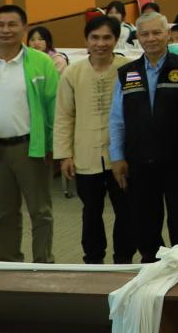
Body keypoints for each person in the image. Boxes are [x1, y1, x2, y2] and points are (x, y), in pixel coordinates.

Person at [0, 5, 60, 262]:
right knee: (3, 215)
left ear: (24, 28)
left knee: (40, 212)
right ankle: (6, 268)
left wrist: (53, 145)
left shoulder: (41, 63)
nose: (6, 30)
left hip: (31, 147)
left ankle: (43, 265)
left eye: (12, 24)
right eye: (0, 25)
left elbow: (53, 106)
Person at [110, 12, 178, 262]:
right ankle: (151, 264)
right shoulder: (127, 73)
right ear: (138, 37)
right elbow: (117, 119)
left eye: (157, 32)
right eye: (145, 34)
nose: (151, 38)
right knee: (145, 222)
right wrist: (116, 156)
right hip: (139, 159)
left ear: (167, 35)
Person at [55, 15, 134, 264]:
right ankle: (93, 260)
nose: (101, 43)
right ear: (86, 40)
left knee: (126, 211)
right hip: (85, 155)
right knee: (91, 212)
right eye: (95, 38)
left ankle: (123, 259)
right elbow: (64, 116)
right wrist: (64, 155)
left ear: (116, 39)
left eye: (107, 37)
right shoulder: (72, 73)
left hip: (121, 156)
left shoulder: (130, 69)